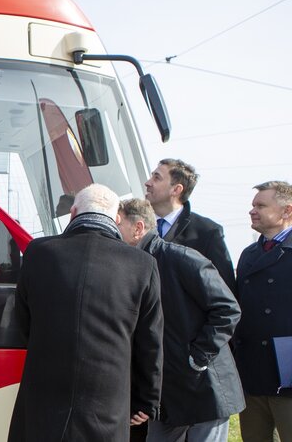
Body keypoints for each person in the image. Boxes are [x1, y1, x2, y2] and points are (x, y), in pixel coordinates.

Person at [7, 184, 163, 442]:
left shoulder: (38, 252)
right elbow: (150, 341)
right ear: (116, 219)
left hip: (44, 395)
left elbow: (23, 321)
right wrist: (147, 400)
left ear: (73, 213)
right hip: (107, 402)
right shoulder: (142, 265)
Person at [118, 199, 244, 442]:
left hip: (205, 389)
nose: (112, 231)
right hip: (167, 396)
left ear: (138, 227)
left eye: (118, 223)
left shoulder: (180, 257)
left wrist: (197, 357)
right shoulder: (129, 265)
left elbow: (227, 308)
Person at [233, 181, 292, 441]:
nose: (252, 211)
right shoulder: (248, 254)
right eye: (252, 205)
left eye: (261, 205)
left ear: (286, 211)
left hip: (288, 373)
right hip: (253, 371)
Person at [145, 159, 236, 292]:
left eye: (156, 178)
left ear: (176, 189)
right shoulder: (134, 225)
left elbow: (225, 290)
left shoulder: (207, 232)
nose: (147, 183)